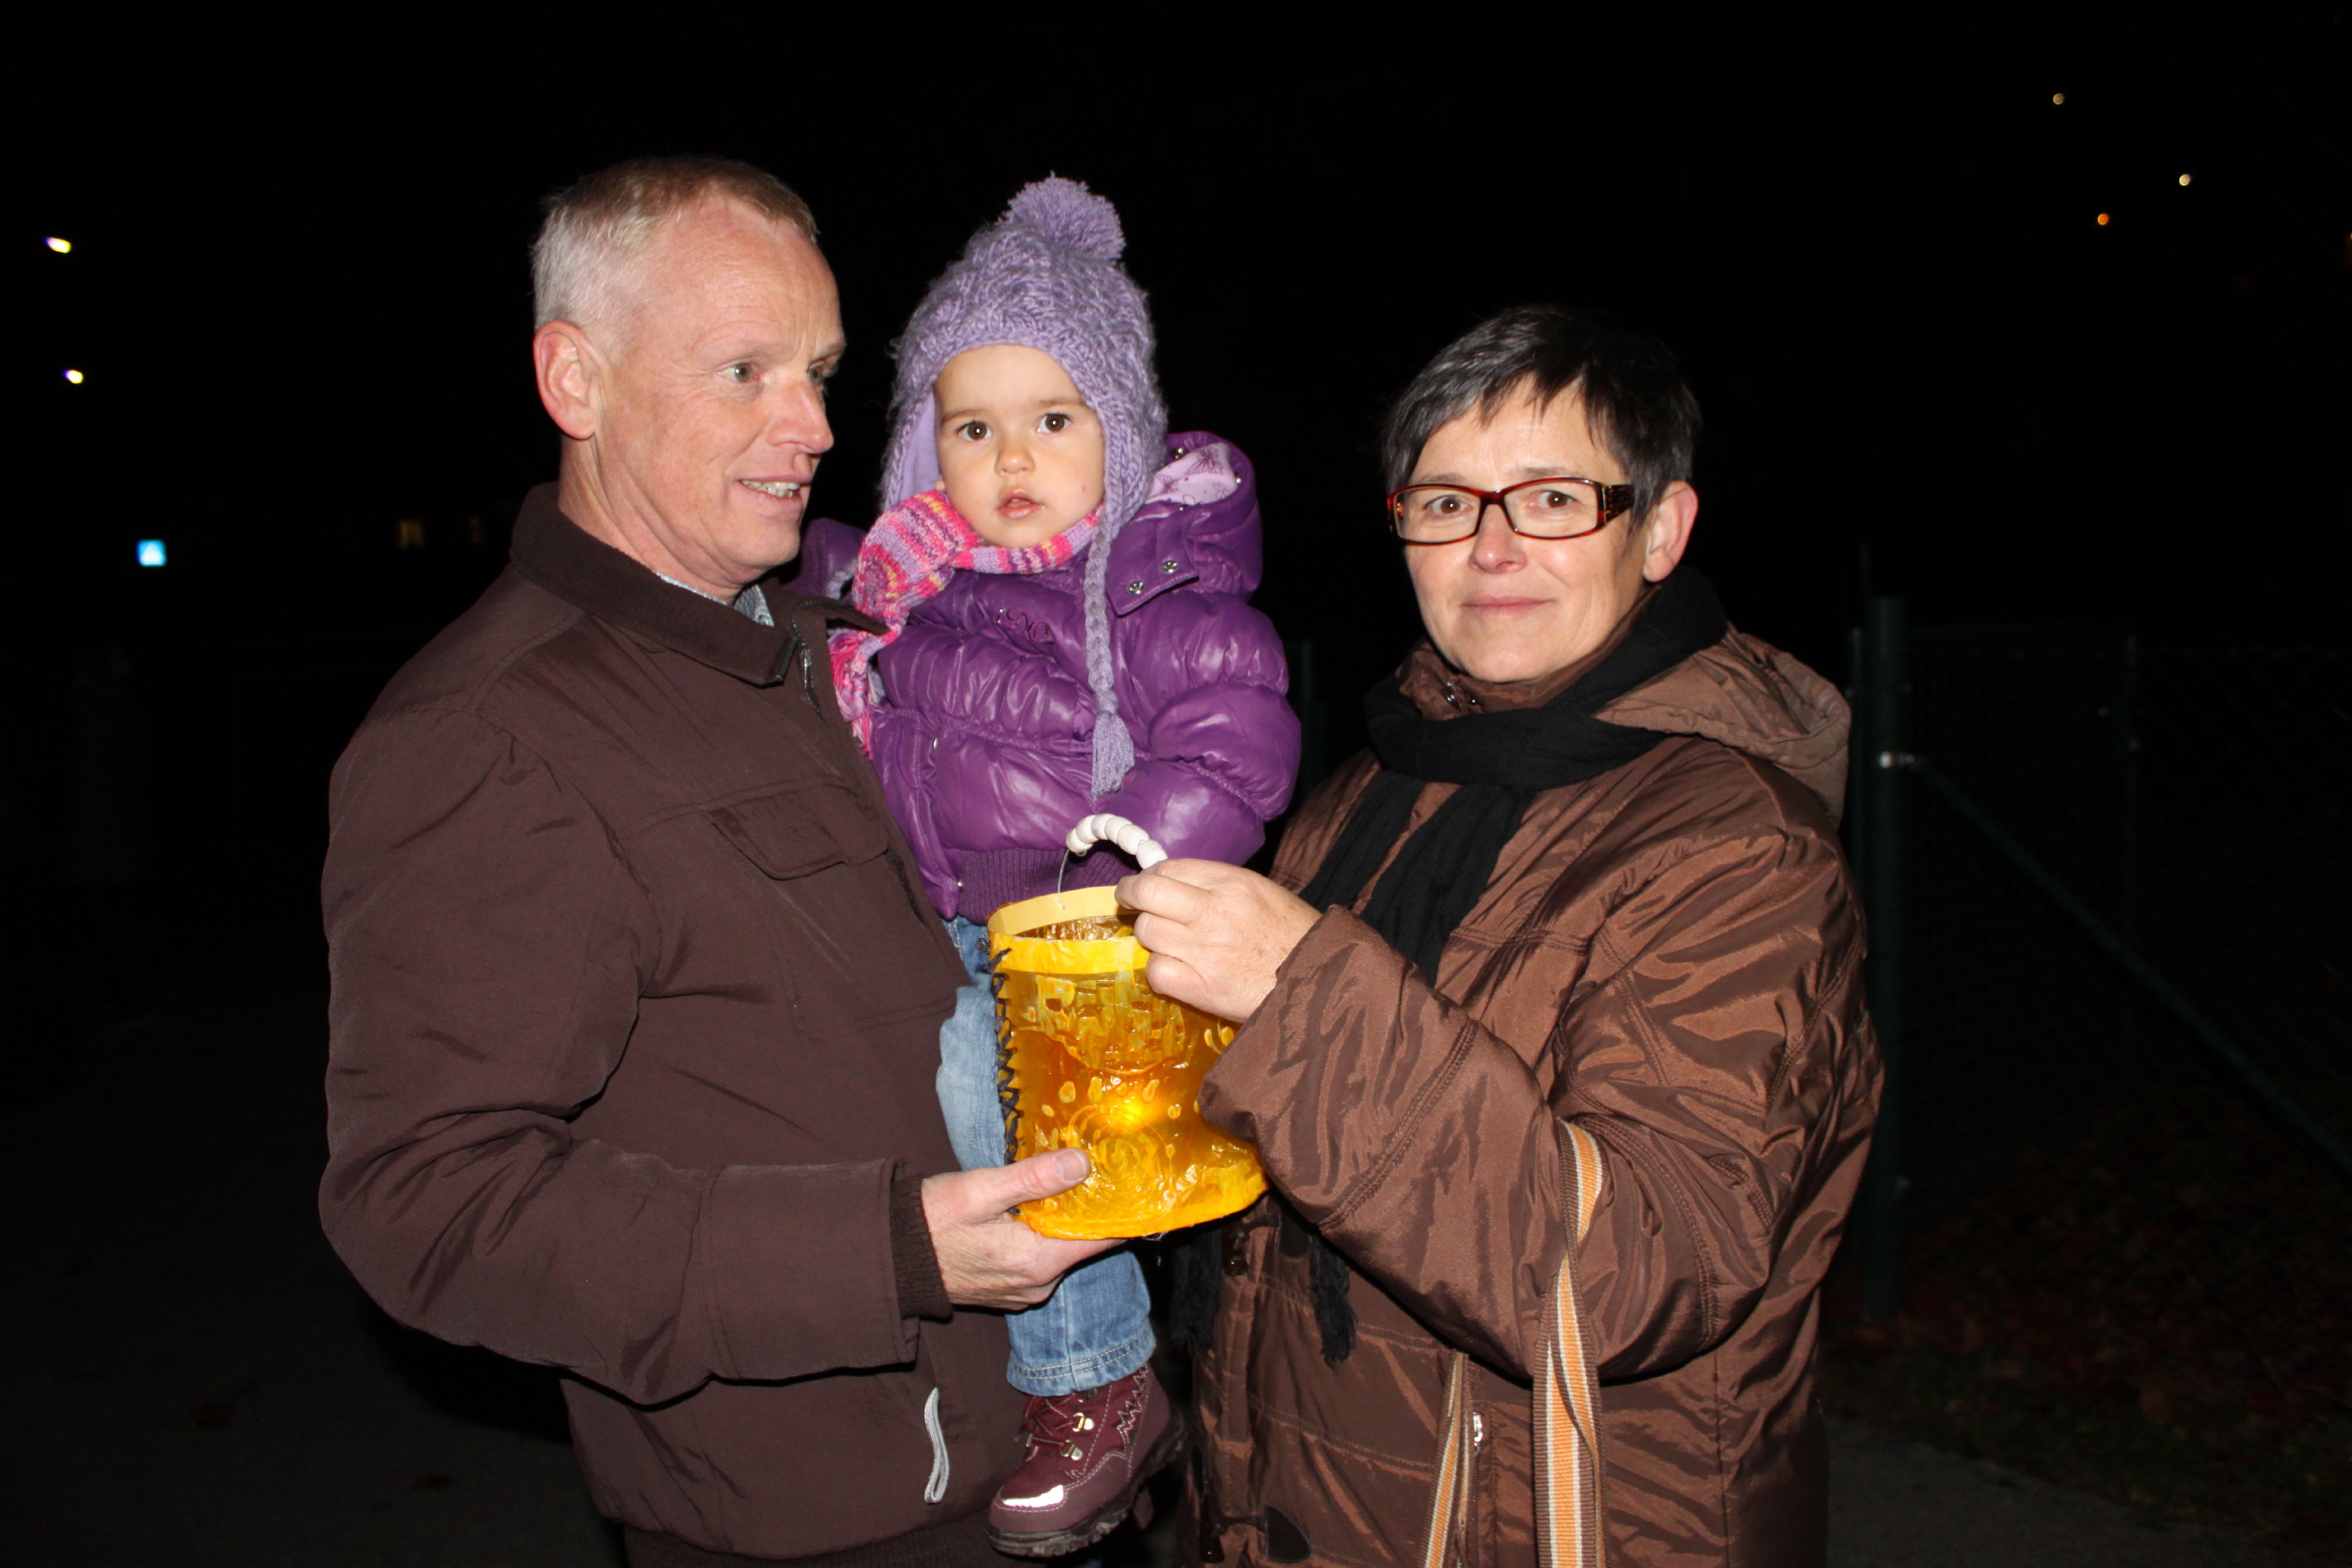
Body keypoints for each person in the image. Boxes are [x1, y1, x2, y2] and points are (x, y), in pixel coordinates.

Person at [318, 156, 1117, 1568]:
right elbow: (427, 1204)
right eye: (745, 371)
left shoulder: (834, 644)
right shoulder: (490, 736)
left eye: (819, 371)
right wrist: (891, 1252)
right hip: (838, 1525)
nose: (812, 427)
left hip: (1050, 1440)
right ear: (576, 381)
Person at [1121, 307, 1881, 1567]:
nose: (1490, 548)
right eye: (1445, 503)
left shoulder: (1739, 848)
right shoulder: (1365, 792)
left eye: (1551, 500)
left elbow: (1641, 1270)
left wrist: (1304, 1001)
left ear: (1660, 530)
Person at [804, 178, 1299, 1556]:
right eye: (973, 427)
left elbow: (1236, 727)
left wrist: (1133, 838)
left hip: (1088, 942)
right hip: (952, 924)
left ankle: (1097, 1379)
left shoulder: (1149, 576)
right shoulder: (905, 587)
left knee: (993, 1090)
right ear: (924, 447)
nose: (1011, 454)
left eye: (1054, 420)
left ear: (1119, 434)